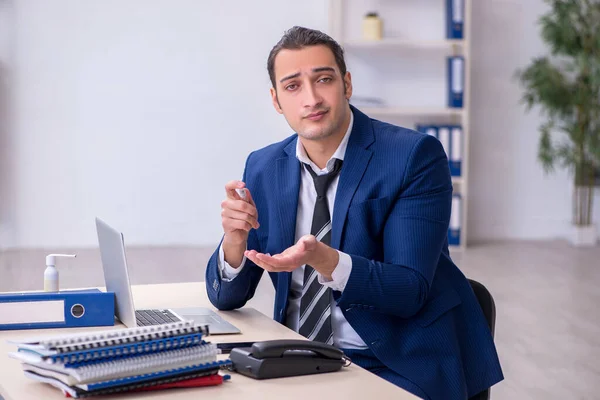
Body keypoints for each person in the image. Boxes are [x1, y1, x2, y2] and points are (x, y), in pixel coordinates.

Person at [205, 26, 503, 399]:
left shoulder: (413, 157)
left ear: (346, 84)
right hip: (295, 360)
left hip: (394, 360)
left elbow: (410, 290)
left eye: (324, 79)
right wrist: (235, 242)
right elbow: (226, 298)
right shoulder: (264, 166)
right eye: (293, 86)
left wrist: (326, 261)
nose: (311, 98)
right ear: (277, 100)